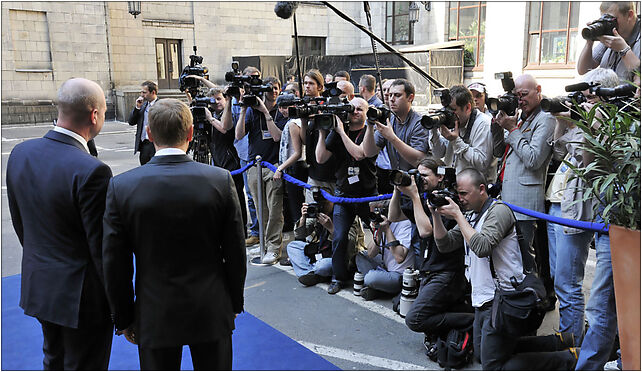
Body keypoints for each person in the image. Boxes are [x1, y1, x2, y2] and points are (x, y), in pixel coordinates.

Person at [102, 98, 246, 370]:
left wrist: (123, 317)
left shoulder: (122, 187)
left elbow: (114, 262)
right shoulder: (220, 180)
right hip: (211, 307)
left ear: (149, 134)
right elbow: (235, 251)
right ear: (191, 133)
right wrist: (234, 303)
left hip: (155, 310)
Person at [7, 78, 113, 370]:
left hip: (40, 286)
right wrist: (121, 308)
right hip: (82, 300)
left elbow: (22, 225)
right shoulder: (92, 171)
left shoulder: (20, 153)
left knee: (53, 361)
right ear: (94, 115)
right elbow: (102, 248)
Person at [431, 168, 578, 370]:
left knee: (493, 366)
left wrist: (457, 215)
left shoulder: (498, 211)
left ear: (482, 189)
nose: (460, 199)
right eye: (459, 194)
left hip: (502, 298)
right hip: (482, 298)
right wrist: (436, 215)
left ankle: (567, 360)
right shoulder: (472, 215)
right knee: (485, 354)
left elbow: (483, 247)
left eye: (464, 193)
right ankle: (559, 342)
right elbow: (445, 244)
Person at [390, 157, 474, 349]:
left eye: (425, 175)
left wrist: (414, 197)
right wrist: (397, 189)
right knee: (401, 305)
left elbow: (426, 231)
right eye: (418, 174)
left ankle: (472, 319)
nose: (420, 179)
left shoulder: (446, 201)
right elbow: (394, 216)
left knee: (414, 319)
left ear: (439, 177)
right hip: (429, 271)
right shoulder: (421, 199)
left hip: (447, 273)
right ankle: (447, 322)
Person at [572, 67, 623, 370]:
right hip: (608, 224)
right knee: (606, 304)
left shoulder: (626, 124)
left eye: (590, 92)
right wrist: (589, 126)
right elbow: (591, 170)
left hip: (624, 225)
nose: (585, 98)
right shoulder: (597, 124)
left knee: (602, 305)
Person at [492, 74, 555, 273]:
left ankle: (529, 297)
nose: (520, 100)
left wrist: (512, 129)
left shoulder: (545, 119)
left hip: (525, 201)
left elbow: (534, 159)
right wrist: (496, 127)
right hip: (507, 197)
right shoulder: (519, 117)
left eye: (524, 94)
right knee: (508, 254)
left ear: (538, 89)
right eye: (517, 96)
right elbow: (498, 152)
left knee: (523, 255)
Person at [316, 97, 378, 294]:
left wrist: (341, 131)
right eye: (352, 109)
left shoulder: (371, 132)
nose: (355, 112)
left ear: (367, 112)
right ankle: (338, 277)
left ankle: (379, 273)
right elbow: (320, 157)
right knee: (340, 237)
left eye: (360, 109)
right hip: (344, 195)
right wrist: (322, 130)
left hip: (368, 195)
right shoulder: (337, 133)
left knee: (380, 233)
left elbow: (360, 154)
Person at [236, 76, 287, 264]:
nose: (273, 91)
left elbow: (276, 137)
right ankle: (265, 245)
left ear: (280, 90)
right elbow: (239, 135)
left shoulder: (281, 111)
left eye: (276, 88)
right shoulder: (251, 110)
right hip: (254, 167)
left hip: (273, 167)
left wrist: (266, 112)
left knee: (274, 210)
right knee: (260, 210)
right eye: (269, 88)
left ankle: (274, 248)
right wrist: (243, 111)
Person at [287, 199, 364, 286]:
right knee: (292, 246)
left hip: (340, 258)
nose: (322, 206)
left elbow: (350, 244)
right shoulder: (318, 211)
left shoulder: (346, 214)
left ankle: (306, 268)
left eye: (325, 203)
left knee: (323, 265)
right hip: (321, 251)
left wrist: (331, 228)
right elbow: (300, 235)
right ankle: (312, 273)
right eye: (320, 203)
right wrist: (303, 218)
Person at [203, 86, 248, 232]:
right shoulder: (211, 114)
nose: (216, 102)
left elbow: (224, 128)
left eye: (219, 99)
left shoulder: (227, 114)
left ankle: (241, 225)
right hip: (217, 160)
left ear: (225, 99)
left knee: (236, 196)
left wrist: (210, 119)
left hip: (232, 162)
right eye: (213, 100)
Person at [430, 85, 496, 183]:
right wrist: (433, 130)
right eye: (446, 110)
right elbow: (438, 153)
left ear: (468, 107)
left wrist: (455, 141)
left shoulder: (484, 123)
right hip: (453, 184)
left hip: (476, 190)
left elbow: (481, 163)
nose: (449, 114)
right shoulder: (453, 121)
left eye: (453, 110)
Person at [363, 78, 431, 171]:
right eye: (390, 95)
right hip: (397, 180)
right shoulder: (389, 120)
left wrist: (392, 138)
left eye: (397, 95)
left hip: (417, 180)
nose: (391, 99)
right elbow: (369, 153)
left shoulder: (419, 122)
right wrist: (370, 127)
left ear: (410, 97)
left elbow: (419, 159)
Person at [355, 202, 413, 301]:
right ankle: (379, 288)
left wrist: (387, 229)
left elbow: (400, 257)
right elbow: (371, 254)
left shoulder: (405, 223)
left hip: (400, 275)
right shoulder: (381, 225)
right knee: (361, 256)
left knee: (370, 278)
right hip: (385, 267)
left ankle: (377, 288)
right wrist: (378, 232)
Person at [577, 1, 641, 82]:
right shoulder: (611, 35)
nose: (607, 24)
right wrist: (590, 41)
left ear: (629, 15)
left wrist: (624, 50)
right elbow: (583, 70)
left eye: (611, 19)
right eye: (604, 19)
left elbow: (639, 77)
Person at [301, 69, 337, 203]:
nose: (307, 86)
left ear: (320, 87)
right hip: (313, 172)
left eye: (311, 83)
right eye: (305, 83)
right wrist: (304, 122)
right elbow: (305, 141)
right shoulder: (304, 107)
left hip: (330, 173)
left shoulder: (328, 107)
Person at [275, 93, 307, 228]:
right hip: (295, 166)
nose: (282, 110)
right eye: (280, 107)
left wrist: (280, 168)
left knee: (297, 205)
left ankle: (300, 234)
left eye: (285, 107)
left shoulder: (294, 123)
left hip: (296, 167)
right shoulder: (294, 121)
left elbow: (297, 153)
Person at [128, 80, 158, 165]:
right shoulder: (143, 105)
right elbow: (131, 122)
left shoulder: (161, 105)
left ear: (153, 92)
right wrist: (137, 108)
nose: (142, 95)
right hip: (144, 144)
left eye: (144, 92)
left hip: (156, 144)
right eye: (141, 92)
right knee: (144, 168)